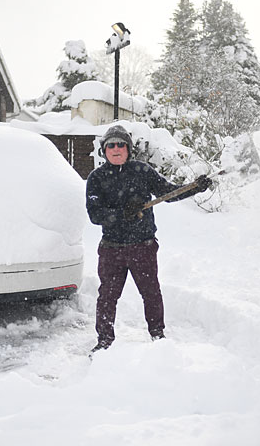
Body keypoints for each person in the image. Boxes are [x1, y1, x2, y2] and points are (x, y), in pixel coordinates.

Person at [86, 125, 212, 352]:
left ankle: (158, 335)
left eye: (121, 144)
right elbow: (95, 215)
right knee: (107, 297)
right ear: (104, 150)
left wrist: (195, 188)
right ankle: (104, 341)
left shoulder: (141, 171)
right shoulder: (97, 178)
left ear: (128, 149)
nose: (116, 149)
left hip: (142, 247)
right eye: (111, 145)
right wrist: (120, 213)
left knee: (151, 293)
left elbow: (169, 193)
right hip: (111, 249)